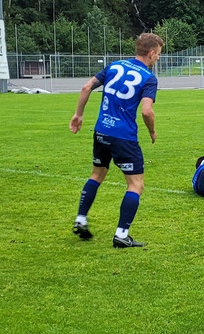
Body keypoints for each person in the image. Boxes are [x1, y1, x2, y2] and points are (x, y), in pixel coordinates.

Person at [69, 32, 163, 248]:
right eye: (157, 54)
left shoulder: (113, 66)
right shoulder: (149, 78)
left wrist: (78, 114)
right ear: (150, 53)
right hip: (124, 137)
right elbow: (147, 111)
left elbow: (86, 87)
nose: (157, 58)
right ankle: (122, 234)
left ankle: (81, 218)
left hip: (101, 131)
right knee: (136, 184)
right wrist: (152, 132)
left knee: (97, 174)